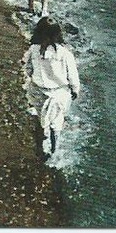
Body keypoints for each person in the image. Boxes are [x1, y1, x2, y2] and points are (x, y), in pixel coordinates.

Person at [24, 17, 80, 156]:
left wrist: (33, 76)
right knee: (56, 122)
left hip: (38, 90)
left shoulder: (34, 50)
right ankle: (54, 151)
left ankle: (40, 144)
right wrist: (75, 90)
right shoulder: (65, 54)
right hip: (58, 93)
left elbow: (28, 67)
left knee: (40, 115)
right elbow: (72, 76)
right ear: (58, 34)